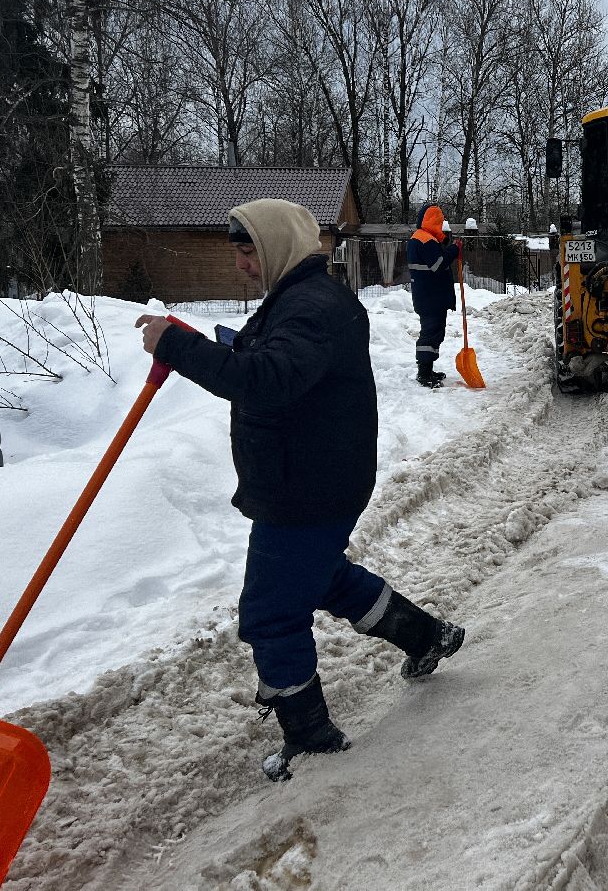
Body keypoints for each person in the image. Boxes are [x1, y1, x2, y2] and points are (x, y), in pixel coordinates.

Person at [135, 198, 464, 781]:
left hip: (306, 487)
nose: (242, 265)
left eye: (249, 252)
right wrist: (206, 342)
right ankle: (425, 636)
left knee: (271, 614)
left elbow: (268, 379)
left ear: (277, 246)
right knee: (323, 578)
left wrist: (176, 348)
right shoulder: (302, 297)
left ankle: (311, 737)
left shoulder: (310, 307)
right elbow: (272, 361)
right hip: (314, 477)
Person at [407, 204, 461, 388]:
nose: (441, 225)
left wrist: (446, 244)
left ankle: (428, 369)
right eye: (439, 222)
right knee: (430, 333)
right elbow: (438, 264)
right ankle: (423, 373)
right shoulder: (425, 240)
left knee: (435, 332)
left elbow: (435, 258)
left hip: (429, 296)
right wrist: (454, 250)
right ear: (433, 221)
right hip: (431, 297)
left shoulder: (422, 238)